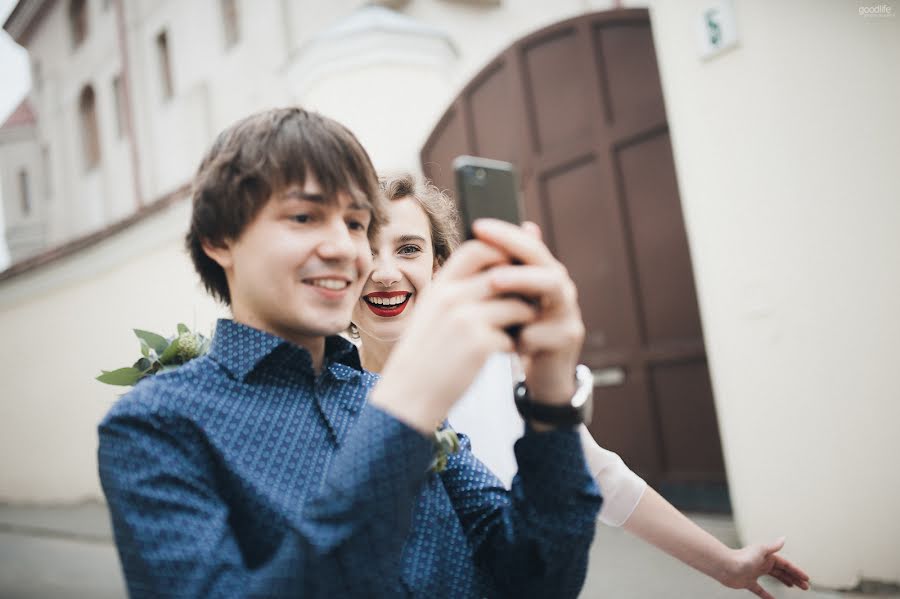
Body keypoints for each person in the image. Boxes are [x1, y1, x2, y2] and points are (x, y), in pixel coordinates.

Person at [97, 107, 604, 598]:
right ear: (219, 240)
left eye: (357, 223)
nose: (345, 248)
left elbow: (538, 574)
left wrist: (550, 396)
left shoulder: (384, 398)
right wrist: (405, 412)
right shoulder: (156, 424)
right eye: (304, 216)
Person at [351, 173, 811, 599]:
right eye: (368, 250)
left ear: (440, 265)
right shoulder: (315, 393)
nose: (385, 271)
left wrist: (726, 565)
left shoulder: (504, 362)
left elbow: (600, 474)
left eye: (408, 248)